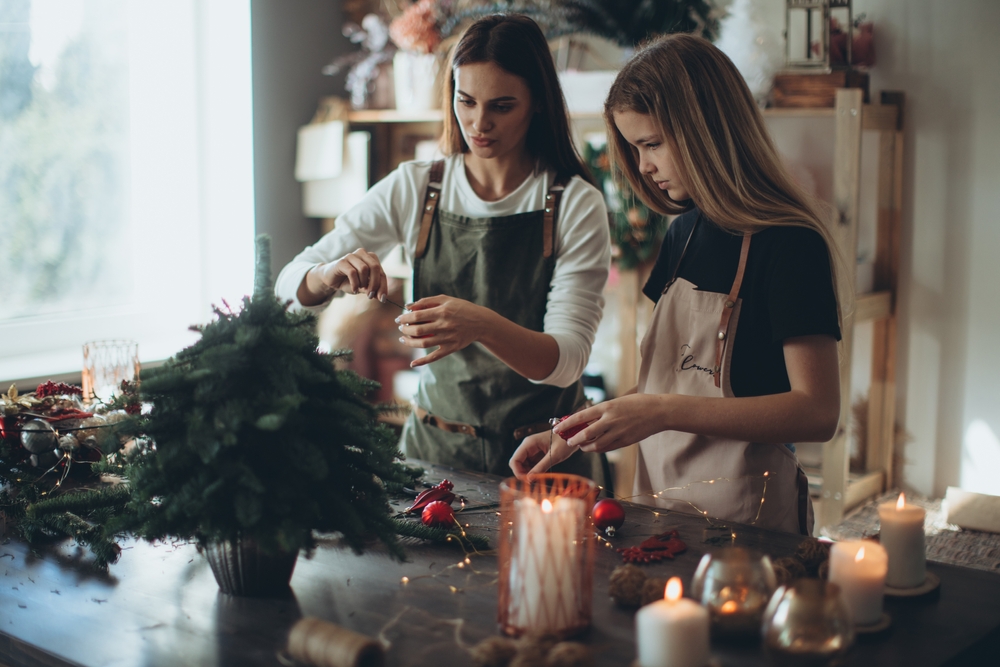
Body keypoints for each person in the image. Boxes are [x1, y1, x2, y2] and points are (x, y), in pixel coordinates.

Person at [510, 34, 848, 535]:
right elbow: (665, 382)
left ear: (707, 130)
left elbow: (817, 411)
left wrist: (661, 411)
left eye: (651, 144)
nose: (643, 166)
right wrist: (573, 432)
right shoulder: (683, 232)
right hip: (662, 508)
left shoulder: (791, 243)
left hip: (751, 525)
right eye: (634, 147)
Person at [275, 14, 611, 477]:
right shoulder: (417, 187)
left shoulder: (575, 202)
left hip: (546, 460)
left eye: (502, 105)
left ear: (537, 102)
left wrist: (480, 324)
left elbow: (565, 361)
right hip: (436, 455)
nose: (479, 123)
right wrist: (327, 274)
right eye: (466, 100)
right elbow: (286, 285)